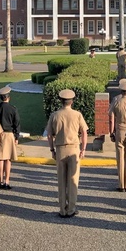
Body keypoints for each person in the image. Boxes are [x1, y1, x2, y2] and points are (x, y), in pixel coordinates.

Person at [46, 88, 88, 218]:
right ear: (72, 101)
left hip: (60, 148)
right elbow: (84, 132)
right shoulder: (77, 114)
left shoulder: (55, 115)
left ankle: (62, 209)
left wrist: (52, 149)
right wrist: (83, 149)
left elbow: (49, 134)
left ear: (61, 101)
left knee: (61, 180)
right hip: (74, 148)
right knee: (73, 180)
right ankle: (71, 208)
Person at [0, 86, 20, 190]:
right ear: (8, 97)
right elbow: (16, 124)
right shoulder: (13, 109)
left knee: (0, 159)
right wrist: (16, 136)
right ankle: (7, 181)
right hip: (9, 134)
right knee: (8, 159)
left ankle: (1, 181)